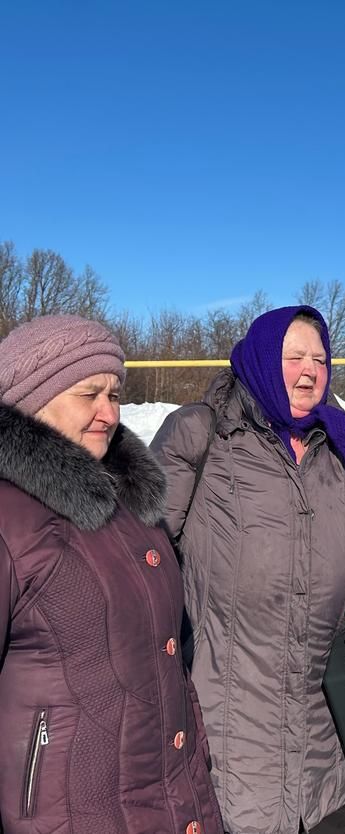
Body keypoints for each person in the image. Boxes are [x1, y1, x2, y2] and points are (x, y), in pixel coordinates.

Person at [150, 305, 345, 834]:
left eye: (320, 359)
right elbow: (141, 552)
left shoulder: (344, 450)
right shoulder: (202, 436)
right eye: (294, 357)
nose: (310, 371)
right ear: (262, 359)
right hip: (229, 735)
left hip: (325, 740)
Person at [0, 315, 222, 834]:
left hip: (173, 802)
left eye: (115, 394)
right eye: (89, 393)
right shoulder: (10, 519)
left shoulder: (132, 507)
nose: (109, 412)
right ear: (33, 398)